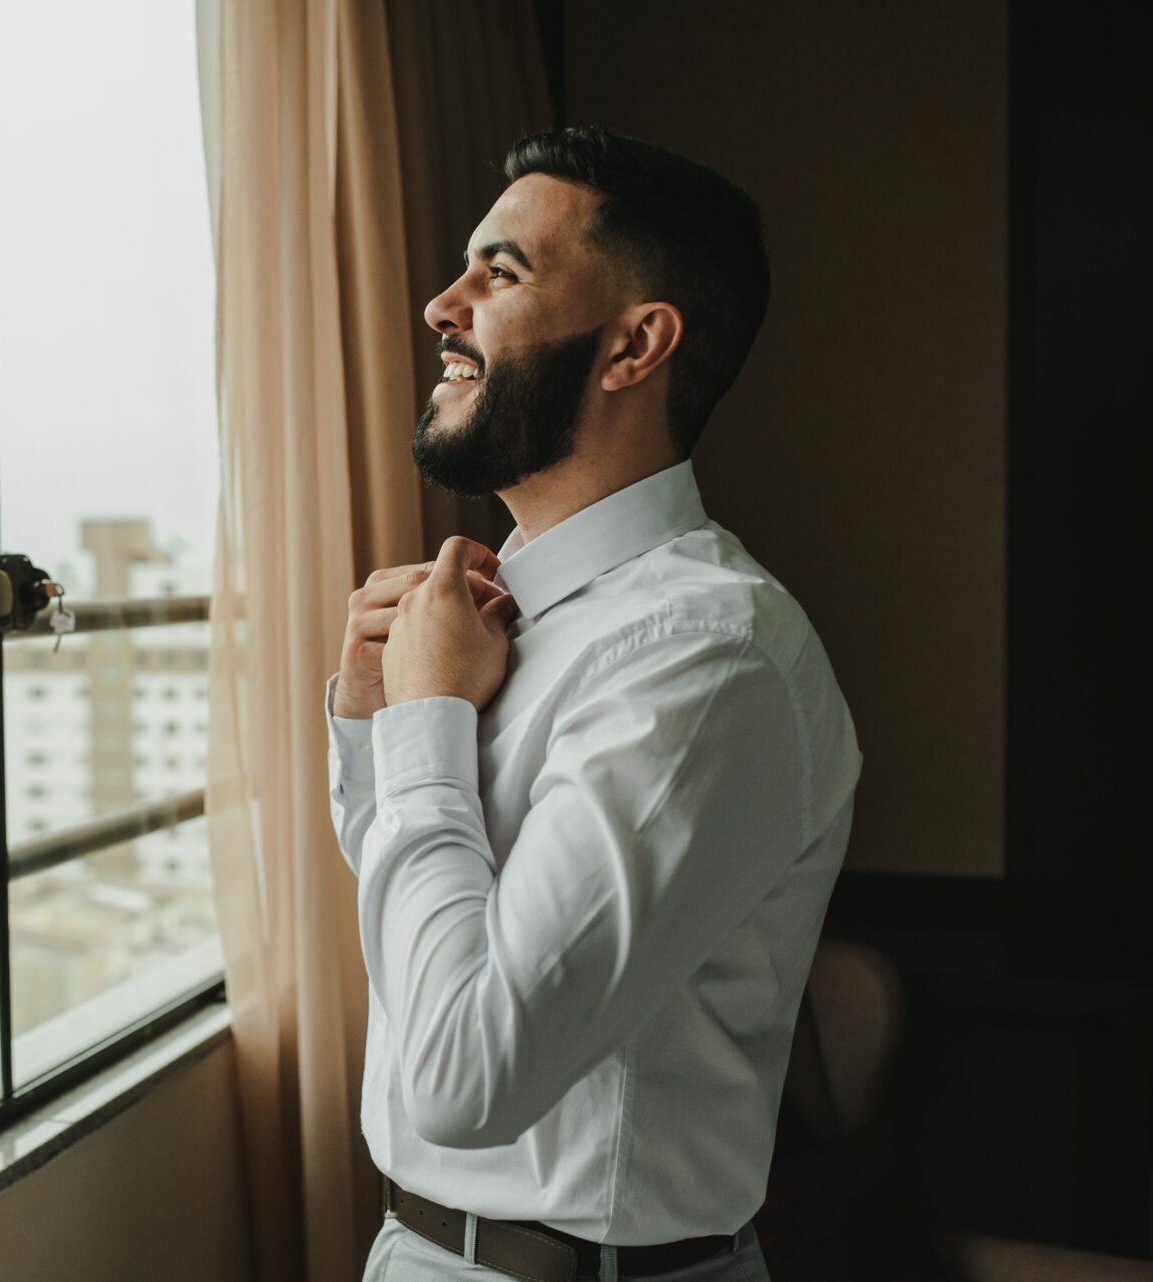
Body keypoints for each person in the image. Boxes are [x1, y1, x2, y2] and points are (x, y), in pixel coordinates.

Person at [329, 126, 861, 1282]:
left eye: (500, 271)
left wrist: (424, 726)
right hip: (411, 1252)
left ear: (636, 343)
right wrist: (381, 723)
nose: (439, 303)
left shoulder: (710, 658)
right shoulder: (491, 615)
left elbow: (466, 1078)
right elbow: (433, 940)